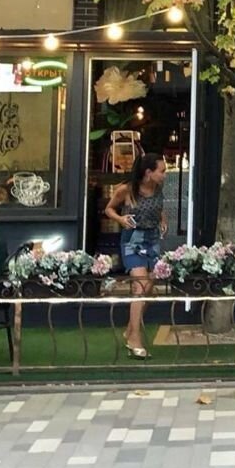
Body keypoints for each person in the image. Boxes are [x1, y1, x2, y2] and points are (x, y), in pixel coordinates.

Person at [105, 152, 167, 358]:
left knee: (149, 287)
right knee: (140, 286)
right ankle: (135, 340)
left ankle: (130, 329)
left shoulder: (158, 188)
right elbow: (109, 209)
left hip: (153, 239)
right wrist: (121, 219)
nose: (165, 175)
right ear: (149, 172)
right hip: (133, 240)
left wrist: (162, 220)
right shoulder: (127, 190)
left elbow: (159, 208)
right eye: (162, 171)